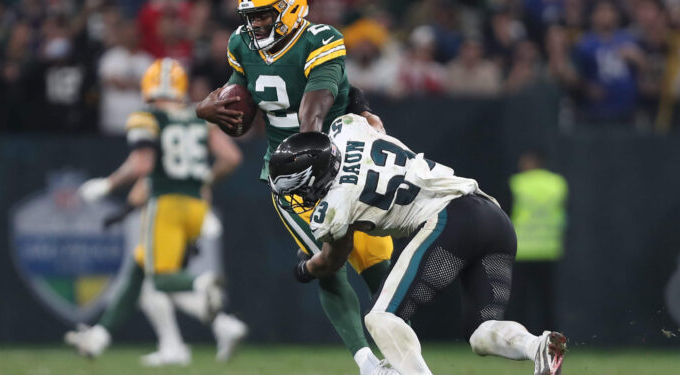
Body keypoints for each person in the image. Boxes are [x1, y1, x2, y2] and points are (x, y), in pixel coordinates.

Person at [267, 114, 567, 375]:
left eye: (298, 188)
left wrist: (305, 269)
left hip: (450, 218)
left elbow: (334, 260)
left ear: (314, 177)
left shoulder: (334, 207)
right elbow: (370, 120)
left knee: (381, 317)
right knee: (480, 333)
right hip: (493, 216)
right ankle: (537, 346)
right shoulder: (347, 129)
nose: (300, 196)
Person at [195, 2, 395, 374]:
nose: (254, 23)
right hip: (291, 179)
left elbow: (313, 115)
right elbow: (240, 110)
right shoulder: (241, 43)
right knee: (329, 265)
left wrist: (351, 114)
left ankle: (404, 360)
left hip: (341, 164)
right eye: (250, 16)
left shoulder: (320, 39)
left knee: (379, 269)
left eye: (263, 14)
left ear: (289, 10)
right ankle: (368, 363)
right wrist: (209, 110)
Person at [64, 58, 247, 366]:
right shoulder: (198, 116)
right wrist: (204, 180)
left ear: (148, 84)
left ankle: (203, 288)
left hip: (166, 205)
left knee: (161, 280)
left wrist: (109, 185)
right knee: (139, 271)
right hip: (197, 206)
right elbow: (230, 157)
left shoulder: (146, 116)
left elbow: (144, 166)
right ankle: (99, 338)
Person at [507, 149, 568, 335]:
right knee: (547, 303)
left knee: (518, 303)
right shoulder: (558, 184)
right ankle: (552, 342)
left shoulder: (517, 184)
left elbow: (506, 215)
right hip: (549, 250)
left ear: (531, 162)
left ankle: (516, 340)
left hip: (522, 250)